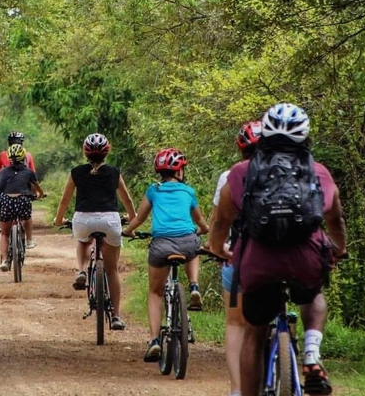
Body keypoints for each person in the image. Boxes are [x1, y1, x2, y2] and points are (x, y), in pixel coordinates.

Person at [210, 104, 348, 396]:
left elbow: (222, 221)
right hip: (306, 258)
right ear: (305, 137)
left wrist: (218, 249)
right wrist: (339, 248)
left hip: (257, 262)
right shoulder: (319, 172)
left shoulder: (240, 173)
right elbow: (335, 219)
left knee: (254, 333)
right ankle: (311, 351)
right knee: (313, 292)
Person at [122, 147, 209, 362]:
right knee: (194, 246)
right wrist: (204, 230)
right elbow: (199, 222)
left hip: (161, 246)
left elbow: (140, 218)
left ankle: (154, 341)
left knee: (155, 293)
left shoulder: (154, 190)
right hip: (187, 242)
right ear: (179, 172)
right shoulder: (188, 191)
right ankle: (194, 286)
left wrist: (128, 231)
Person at [54, 133, 137, 331]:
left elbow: (65, 200)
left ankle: (82, 270)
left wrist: (58, 220)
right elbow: (127, 201)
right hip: (110, 220)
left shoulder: (76, 172)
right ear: (107, 152)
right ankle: (116, 316)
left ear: (85, 152)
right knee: (112, 270)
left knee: (83, 242)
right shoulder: (114, 172)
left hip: (83, 219)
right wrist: (132, 222)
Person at [209, 121, 261, 396]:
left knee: (236, 323)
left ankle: (237, 389)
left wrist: (217, 249)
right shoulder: (290, 173)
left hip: (239, 257)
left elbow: (219, 222)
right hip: (288, 257)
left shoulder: (230, 176)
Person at [0, 144, 45, 269]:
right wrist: (40, 195)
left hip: (7, 202)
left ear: (9, 158)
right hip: (22, 200)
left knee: (4, 234)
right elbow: (36, 187)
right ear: (23, 157)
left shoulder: (3, 172)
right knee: (27, 217)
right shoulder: (28, 172)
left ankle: (4, 261)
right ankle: (29, 239)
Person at [0, 131, 37, 233]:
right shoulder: (28, 155)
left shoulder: (3, 154)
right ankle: (26, 232)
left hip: (6, 184)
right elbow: (33, 174)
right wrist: (34, 192)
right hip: (24, 185)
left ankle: (0, 220)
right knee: (25, 206)